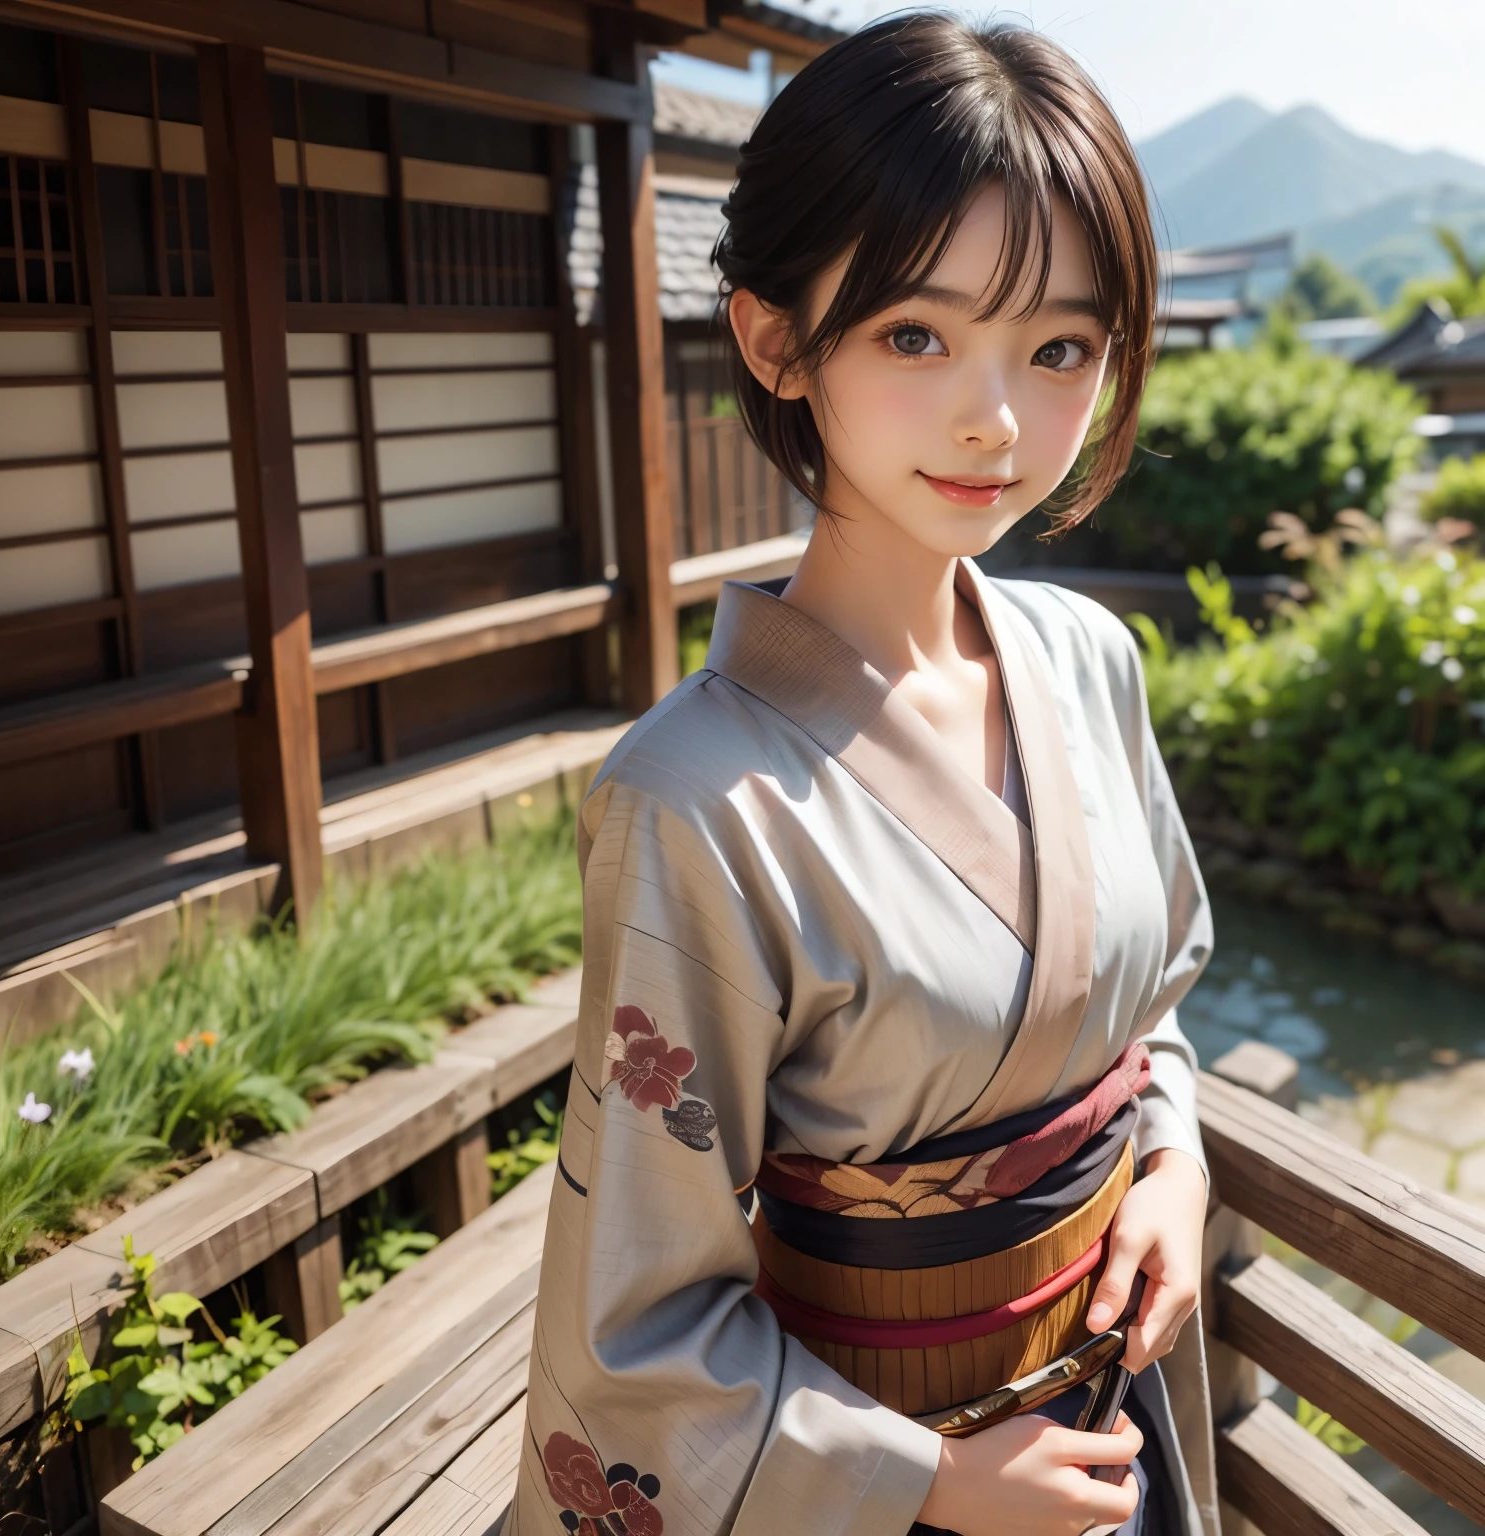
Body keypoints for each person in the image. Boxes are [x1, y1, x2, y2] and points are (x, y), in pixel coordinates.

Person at [508, 14, 1216, 1536]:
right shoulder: (691, 798)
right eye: (917, 334)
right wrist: (934, 1482)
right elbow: (632, 1321)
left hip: (1110, 1400)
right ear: (776, 339)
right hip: (879, 1465)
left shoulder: (1091, 660)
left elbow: (1144, 1020)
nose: (998, 418)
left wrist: (1170, 1164)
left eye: (1060, 347)